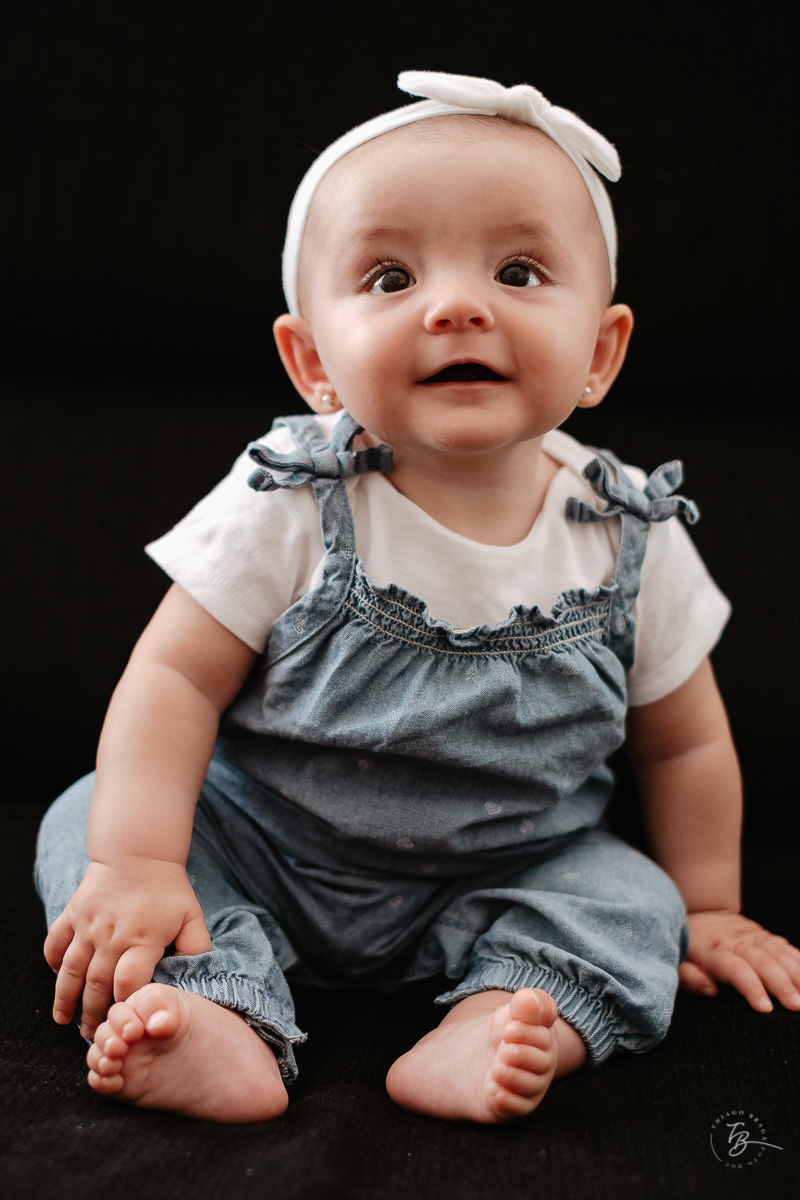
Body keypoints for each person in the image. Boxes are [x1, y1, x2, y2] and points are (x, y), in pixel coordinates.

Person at [35, 70, 800, 1126]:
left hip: (510, 868)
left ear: (600, 352)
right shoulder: (290, 500)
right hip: (265, 843)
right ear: (311, 363)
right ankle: (211, 1012)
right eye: (390, 276)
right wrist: (137, 860)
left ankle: (495, 1016)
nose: (454, 305)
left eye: (518, 269)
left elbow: (681, 744)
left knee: (632, 905)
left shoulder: (626, 533)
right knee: (87, 823)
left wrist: (709, 906)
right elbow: (171, 678)